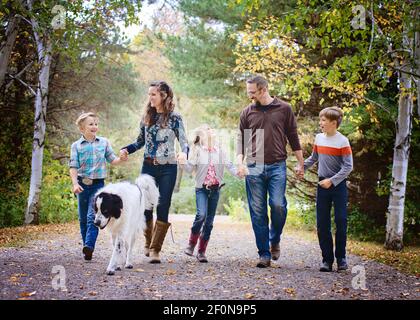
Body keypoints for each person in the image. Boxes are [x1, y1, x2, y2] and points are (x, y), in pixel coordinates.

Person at [236, 75, 304, 268]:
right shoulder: (248, 112)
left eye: (252, 92)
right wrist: (240, 163)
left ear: (263, 90)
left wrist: (300, 163)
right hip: (254, 164)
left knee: (277, 205)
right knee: (257, 211)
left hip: (277, 164)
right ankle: (264, 253)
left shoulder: (284, 109)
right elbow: (242, 140)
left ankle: (275, 239)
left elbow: (293, 136)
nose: (249, 95)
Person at [120, 80, 188, 264]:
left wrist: (183, 153)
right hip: (148, 167)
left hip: (168, 167)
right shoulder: (146, 117)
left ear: (163, 96)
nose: (150, 97)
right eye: (149, 94)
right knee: (146, 207)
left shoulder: (175, 118)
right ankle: (148, 242)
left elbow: (184, 141)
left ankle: (156, 249)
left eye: (153, 94)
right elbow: (140, 141)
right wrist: (126, 149)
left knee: (163, 205)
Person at [69, 112, 125, 261]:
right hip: (81, 184)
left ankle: (89, 245)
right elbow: (73, 166)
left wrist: (121, 159)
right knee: (82, 219)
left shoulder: (104, 142)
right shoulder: (76, 146)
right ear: (82, 128)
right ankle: (87, 248)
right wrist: (75, 184)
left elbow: (113, 160)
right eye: (91, 124)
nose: (95, 126)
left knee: (91, 216)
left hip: (98, 186)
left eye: (96, 124)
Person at [303, 106, 353, 272]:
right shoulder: (319, 138)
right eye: (321, 120)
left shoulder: (343, 141)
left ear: (333, 122)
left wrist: (332, 181)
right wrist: (302, 167)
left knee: (341, 220)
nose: (321, 123)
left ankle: (341, 258)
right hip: (322, 185)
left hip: (338, 186)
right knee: (322, 223)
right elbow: (314, 157)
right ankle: (326, 260)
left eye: (323, 120)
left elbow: (348, 167)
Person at [182, 124, 238, 262]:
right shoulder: (197, 150)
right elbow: (189, 169)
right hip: (201, 189)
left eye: (212, 129)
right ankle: (191, 243)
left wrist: (240, 173)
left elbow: (230, 165)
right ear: (202, 136)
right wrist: (182, 162)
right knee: (201, 215)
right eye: (208, 129)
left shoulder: (220, 151)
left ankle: (201, 252)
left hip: (215, 190)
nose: (211, 130)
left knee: (209, 222)